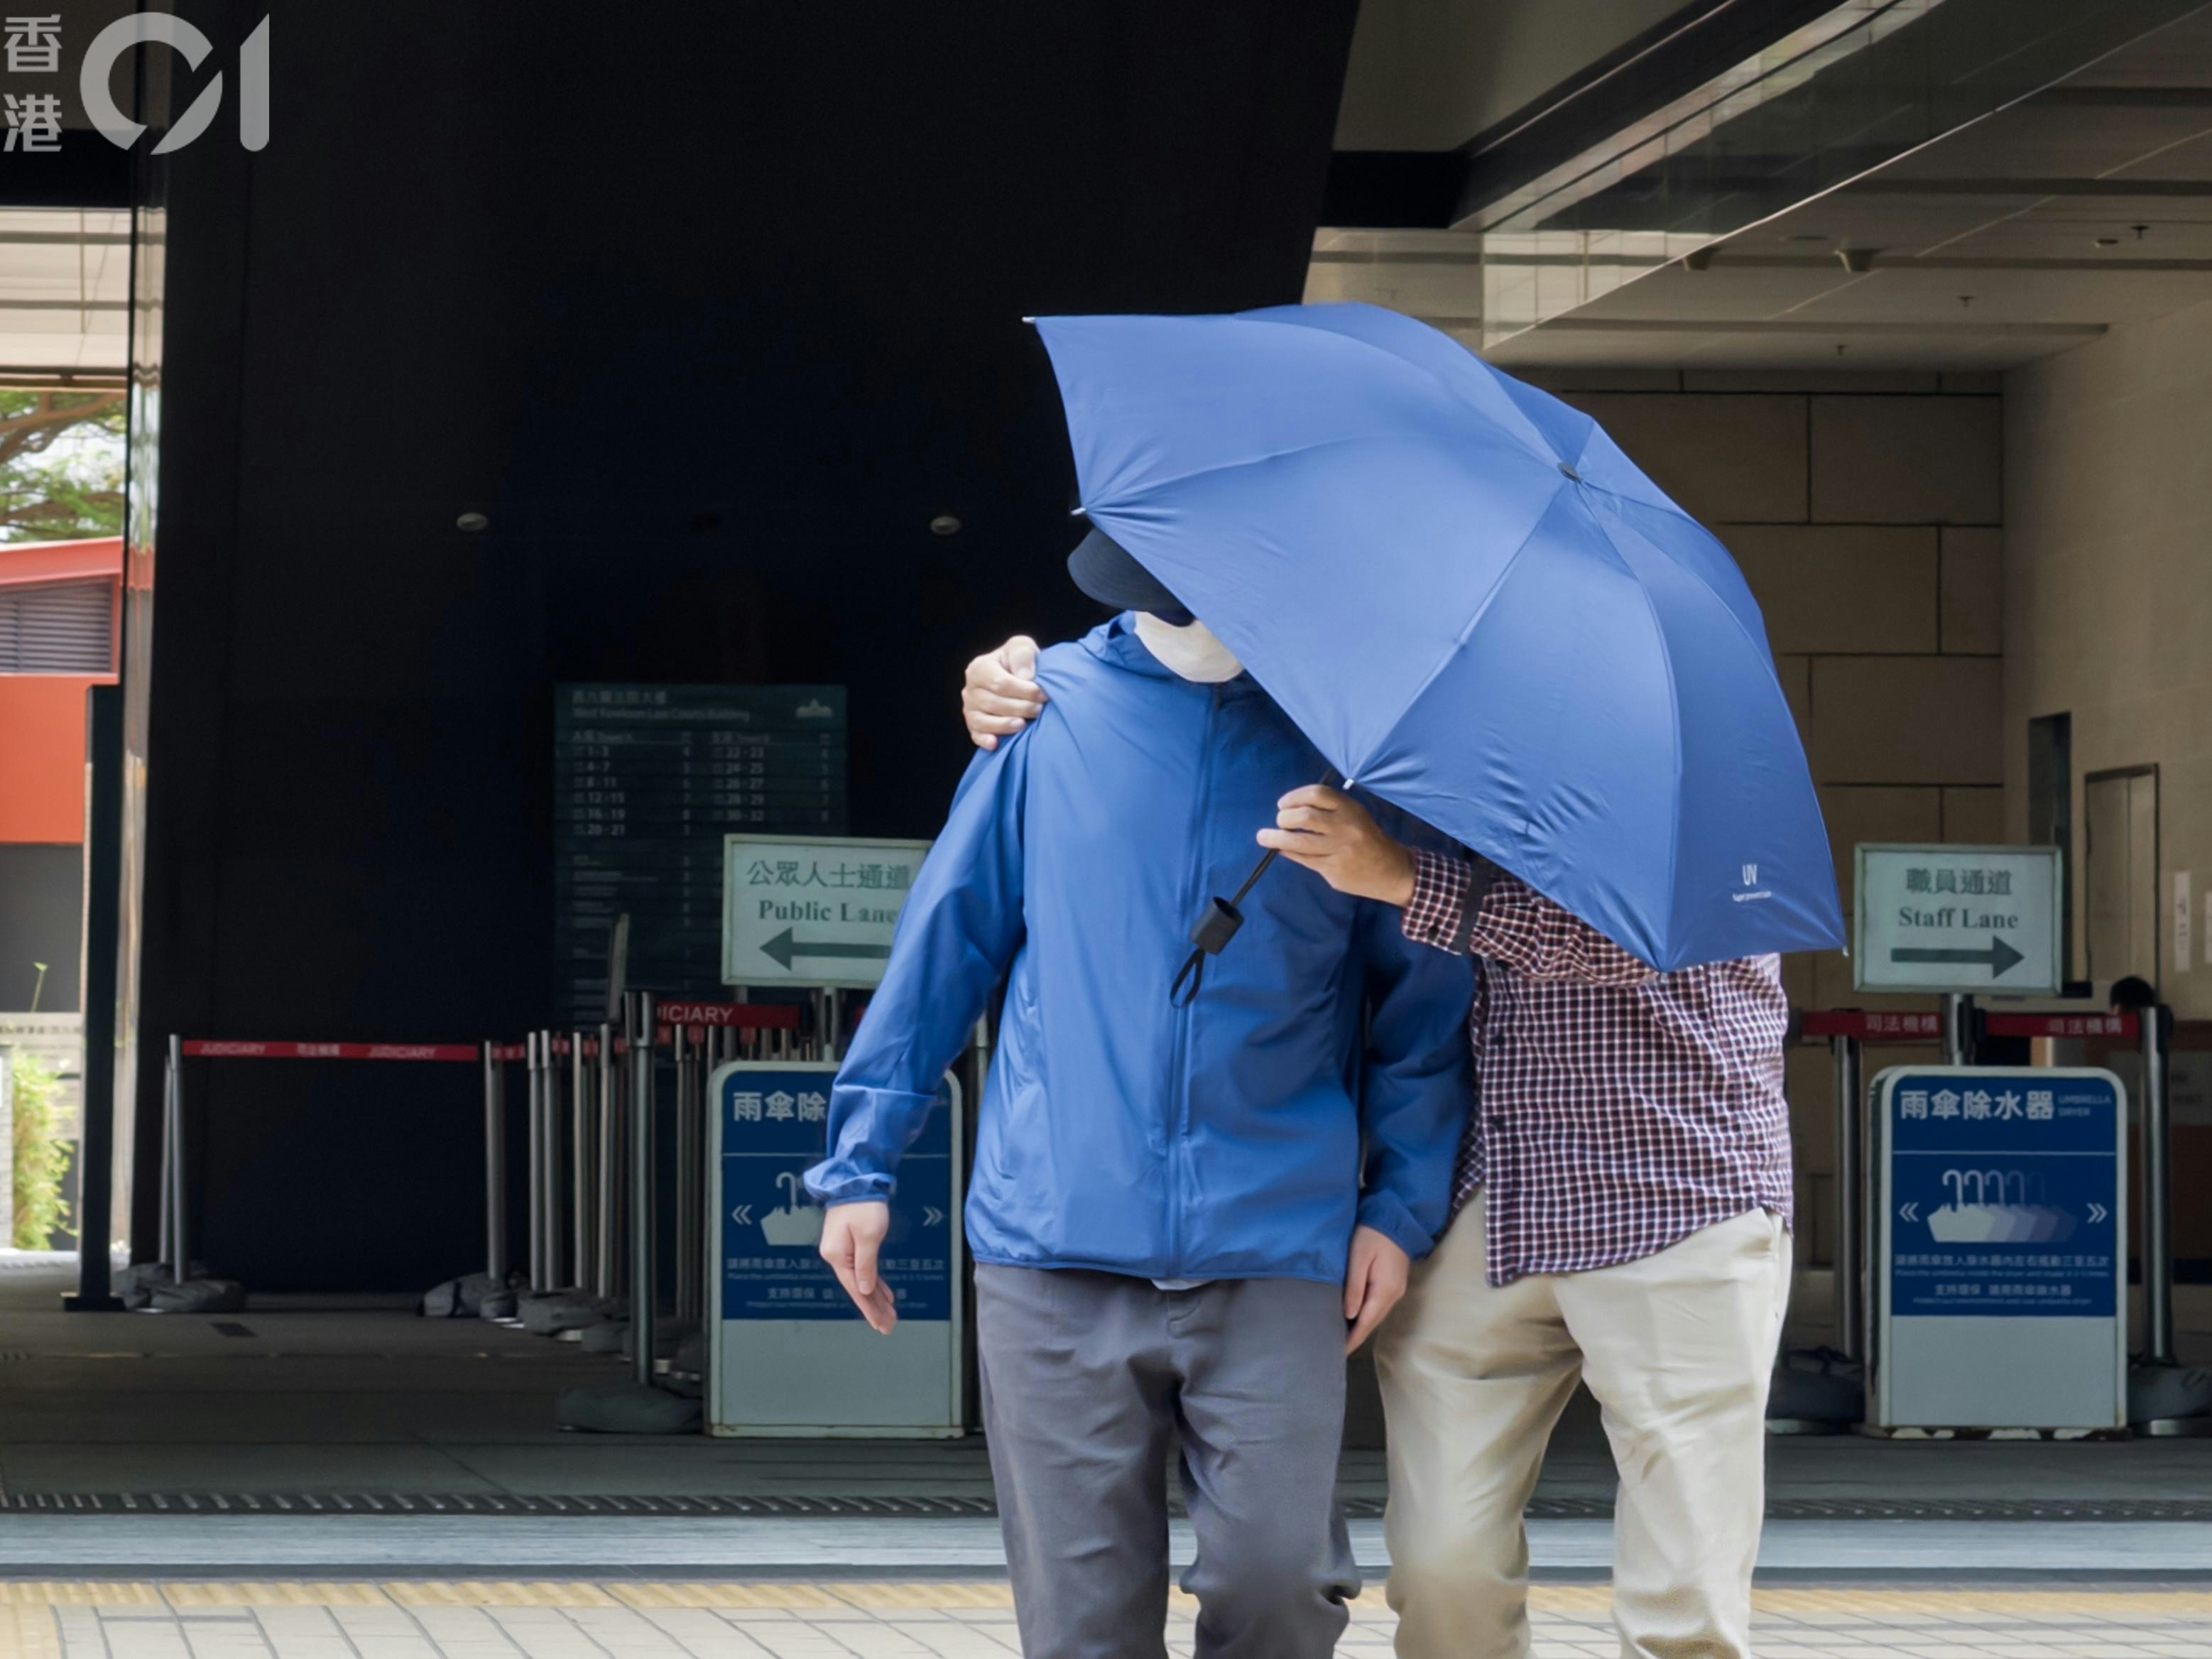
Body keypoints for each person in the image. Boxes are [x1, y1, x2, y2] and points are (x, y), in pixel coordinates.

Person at [966, 638, 1795, 1659]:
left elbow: (1647, 936)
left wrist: (1402, 876)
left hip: (1672, 1195)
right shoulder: (1414, 737)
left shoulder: (1699, 742)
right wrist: (1026, 677)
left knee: (1686, 1611)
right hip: (1483, 1200)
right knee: (1440, 1576)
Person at [811, 531, 1471, 1659]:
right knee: (1081, 1626)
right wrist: (861, 1161)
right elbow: (945, 948)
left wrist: (1396, 1211)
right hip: (1054, 1233)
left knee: (1280, 1590)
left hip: (1275, 1240)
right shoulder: (1045, 716)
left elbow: (1422, 1008)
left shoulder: (1349, 750)